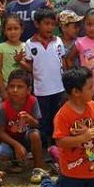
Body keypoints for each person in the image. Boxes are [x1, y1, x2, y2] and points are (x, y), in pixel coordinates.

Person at [39, 66, 94, 187]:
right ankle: (47, 183)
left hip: (92, 169)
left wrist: (93, 132)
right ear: (76, 92)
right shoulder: (63, 114)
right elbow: (60, 141)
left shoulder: (93, 106)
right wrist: (83, 137)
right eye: (90, 87)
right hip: (72, 170)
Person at [21, 9, 65, 147]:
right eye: (46, 23)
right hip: (41, 90)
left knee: (57, 117)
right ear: (37, 24)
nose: (50, 27)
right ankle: (45, 145)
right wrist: (20, 62)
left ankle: (57, 143)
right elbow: (30, 66)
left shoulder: (58, 40)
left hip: (59, 87)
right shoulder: (30, 43)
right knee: (43, 119)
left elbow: (62, 61)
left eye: (53, 24)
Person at [0, 69, 48, 183]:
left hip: (27, 138)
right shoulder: (4, 107)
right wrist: (16, 145)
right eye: (12, 86)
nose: (15, 90)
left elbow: (37, 125)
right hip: (10, 141)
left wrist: (30, 119)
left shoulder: (33, 101)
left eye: (20, 87)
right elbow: (0, 131)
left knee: (35, 134)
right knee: (1, 153)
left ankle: (38, 168)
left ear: (28, 90)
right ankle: (16, 161)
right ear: (7, 87)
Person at [0, 14, 25, 101]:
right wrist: (3, 91)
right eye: (9, 29)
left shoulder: (26, 46)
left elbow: (29, 69)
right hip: (6, 87)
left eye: (16, 28)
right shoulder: (0, 48)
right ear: (4, 31)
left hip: (22, 88)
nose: (13, 32)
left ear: (21, 30)